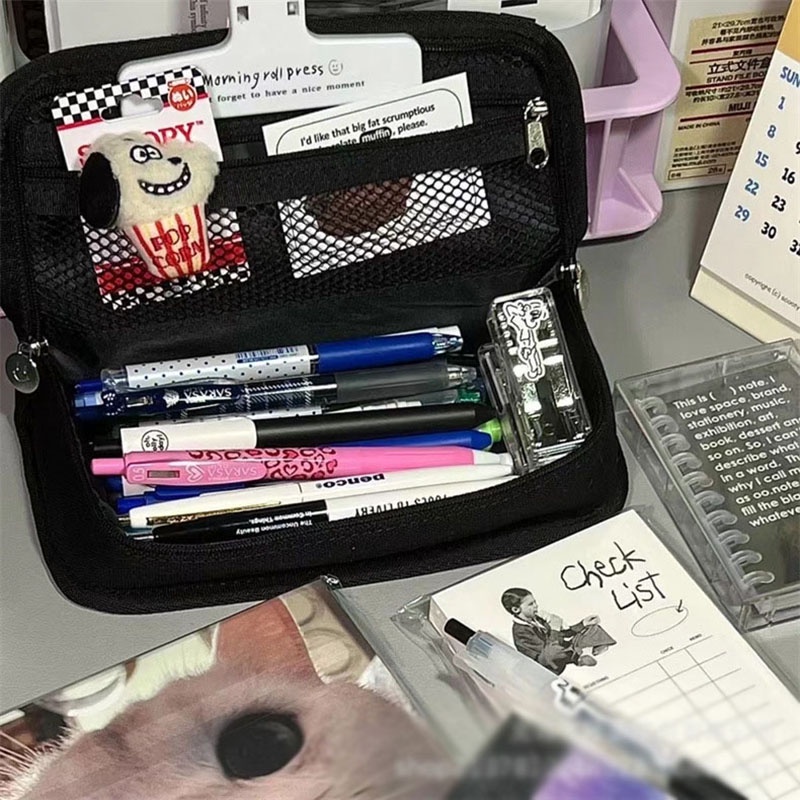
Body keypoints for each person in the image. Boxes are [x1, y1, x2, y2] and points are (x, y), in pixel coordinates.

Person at [501, 588, 616, 675]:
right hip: (546, 664)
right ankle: (577, 658)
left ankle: (588, 651)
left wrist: (583, 624)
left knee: (592, 628)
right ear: (516, 609)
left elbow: (562, 635)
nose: (536, 606)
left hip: (557, 648)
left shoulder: (537, 619)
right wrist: (554, 629)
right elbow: (546, 651)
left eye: (535, 602)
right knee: (553, 651)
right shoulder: (520, 631)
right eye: (531, 604)